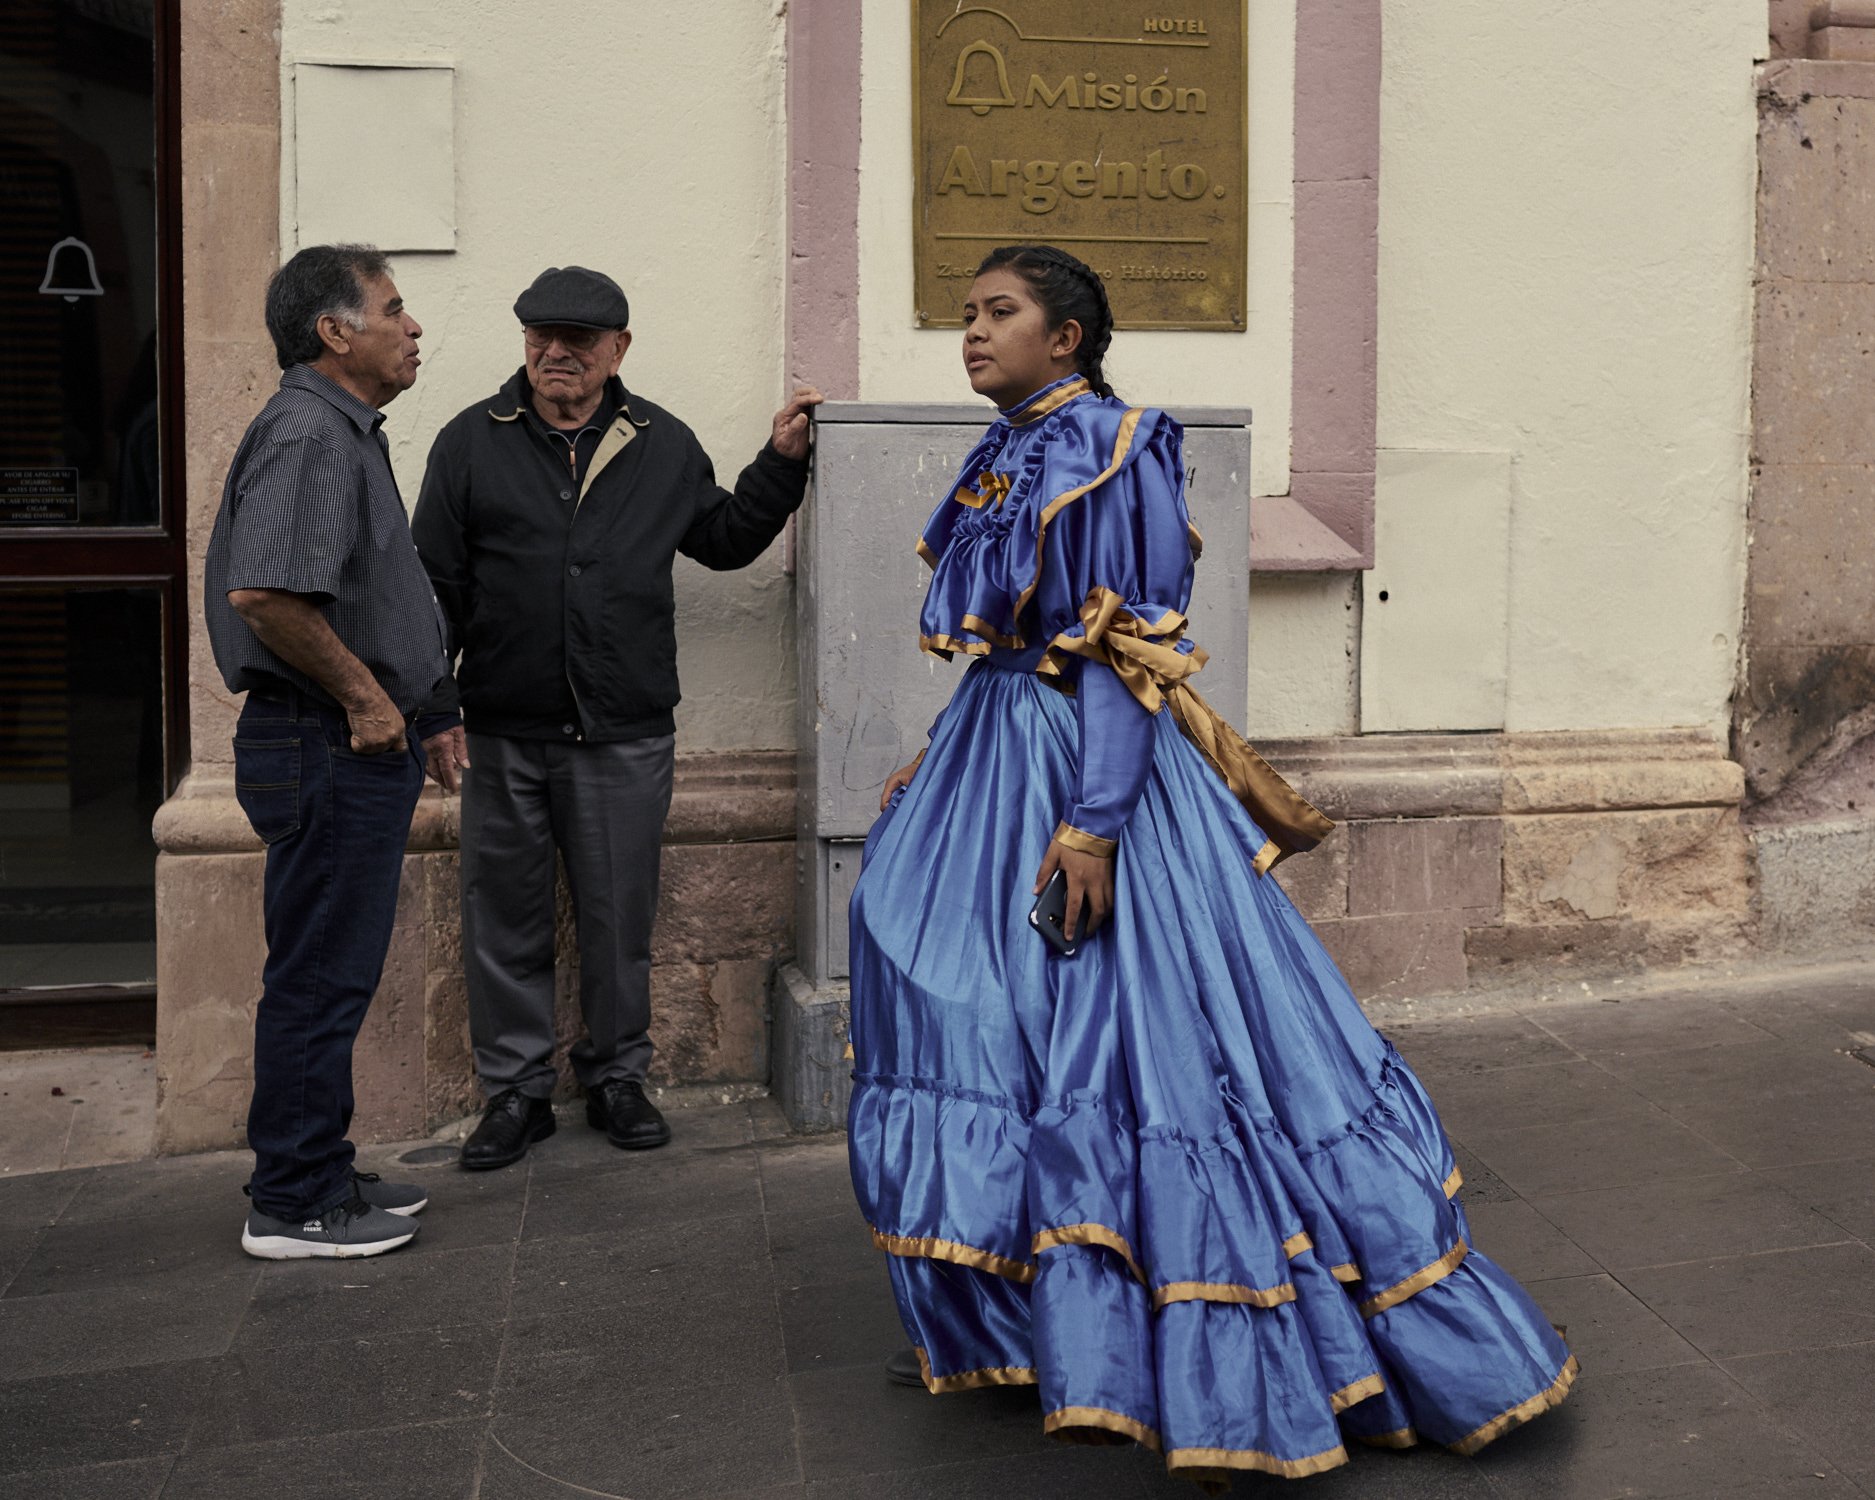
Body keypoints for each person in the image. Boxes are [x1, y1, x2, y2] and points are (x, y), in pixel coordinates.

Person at [846, 245, 1576, 1485]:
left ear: (1065, 335)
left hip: (1090, 770)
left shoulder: (1119, 441)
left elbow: (1124, 651)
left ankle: (1193, 1333)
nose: (972, 332)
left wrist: (1093, 824)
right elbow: (1009, 644)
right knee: (981, 1008)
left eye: (1000, 314)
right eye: (968, 315)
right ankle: (1036, 1313)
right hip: (998, 747)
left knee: (1130, 1040)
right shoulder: (1009, 446)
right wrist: (937, 753)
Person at [412, 266, 822, 1171]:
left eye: (578, 340)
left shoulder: (661, 443)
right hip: (501, 728)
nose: (556, 353)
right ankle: (515, 1092)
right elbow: (431, 586)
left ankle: (615, 1077)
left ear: (617, 350)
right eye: (540, 336)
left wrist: (780, 464)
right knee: (503, 917)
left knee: (616, 916)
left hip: (624, 729)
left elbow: (720, 540)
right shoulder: (470, 442)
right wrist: (433, 705)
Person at [204, 244, 459, 1259]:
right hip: (322, 741)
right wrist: (368, 702)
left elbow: (370, 594)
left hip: (343, 738)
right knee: (318, 975)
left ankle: (317, 1167)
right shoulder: (311, 434)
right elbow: (264, 595)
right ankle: (296, 1202)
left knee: (333, 970)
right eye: (394, 309)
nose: (413, 326)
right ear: (335, 332)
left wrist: (425, 708)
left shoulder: (343, 431)